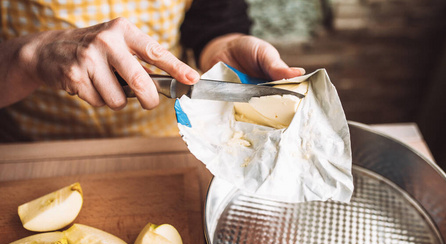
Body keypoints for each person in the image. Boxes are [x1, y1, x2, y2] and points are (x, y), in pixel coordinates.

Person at [0, 0, 304, 141]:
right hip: (34, 148)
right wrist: (30, 57)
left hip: (169, 142)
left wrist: (223, 49)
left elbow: (213, 19)